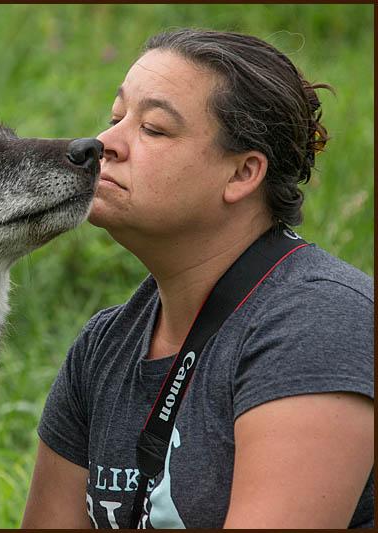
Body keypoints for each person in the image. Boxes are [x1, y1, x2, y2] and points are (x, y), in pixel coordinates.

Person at [21, 29, 373, 529]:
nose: (103, 144)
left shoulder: (319, 322)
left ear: (242, 174)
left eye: (154, 129)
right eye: (116, 119)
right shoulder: (103, 346)